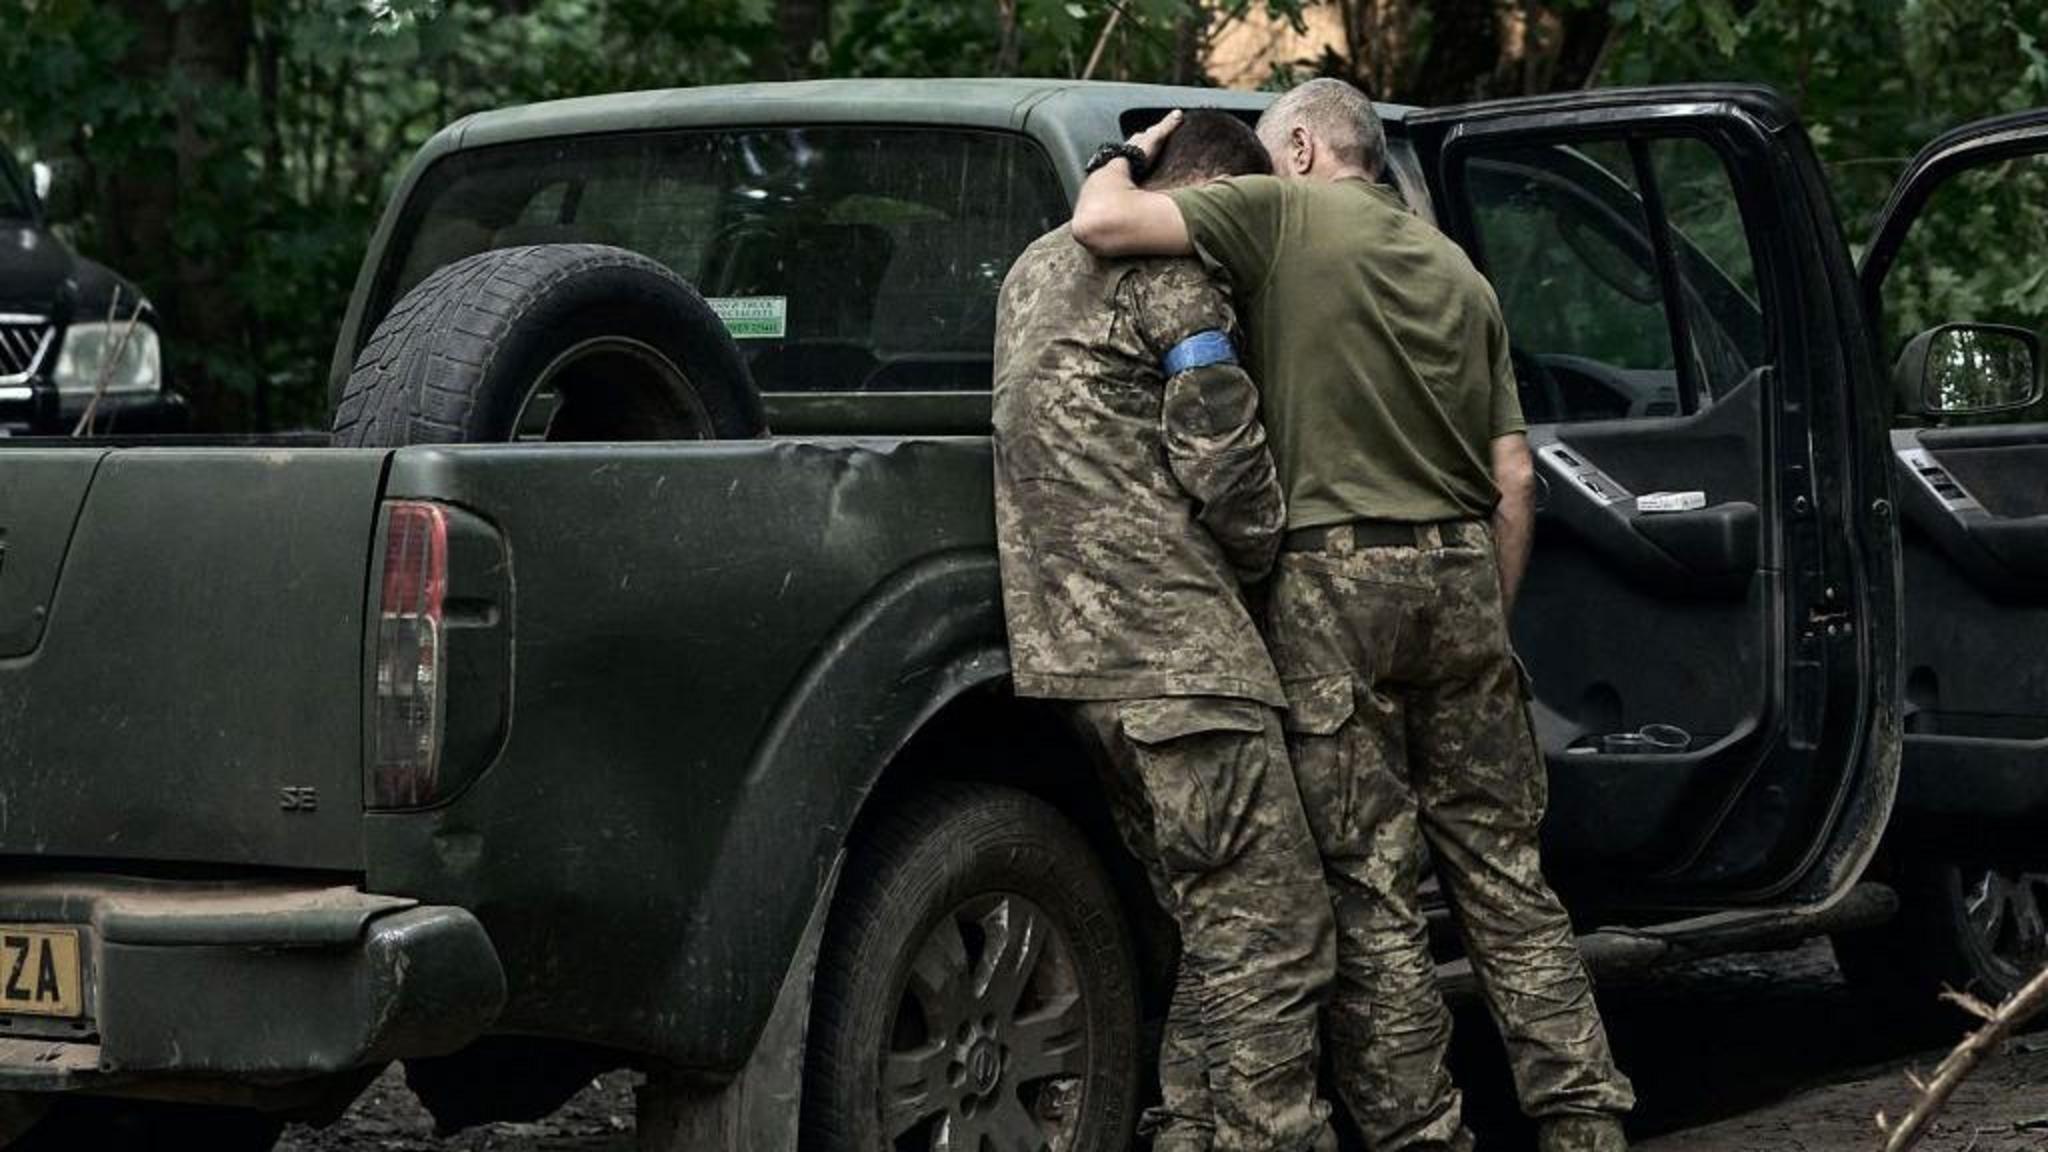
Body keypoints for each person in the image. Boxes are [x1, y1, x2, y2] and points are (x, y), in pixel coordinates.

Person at [1068, 81, 1636, 1152]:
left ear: (1294, 144)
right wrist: (1483, 622)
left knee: (1372, 890)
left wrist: (1134, 150)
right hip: (1462, 577)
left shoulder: (1281, 213)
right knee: (1509, 882)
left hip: (1331, 582)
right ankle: (1583, 1121)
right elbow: (1514, 478)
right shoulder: (1460, 273)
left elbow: (1100, 225)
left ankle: (1420, 1134)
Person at [992, 110, 1337, 1152]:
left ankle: (1191, 1128)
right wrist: (1266, 549)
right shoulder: (1175, 277)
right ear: (1212, 198)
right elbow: (1224, 462)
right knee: (1276, 935)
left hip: (1071, 662)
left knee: (1204, 925)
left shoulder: (1028, 272)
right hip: (1178, 658)